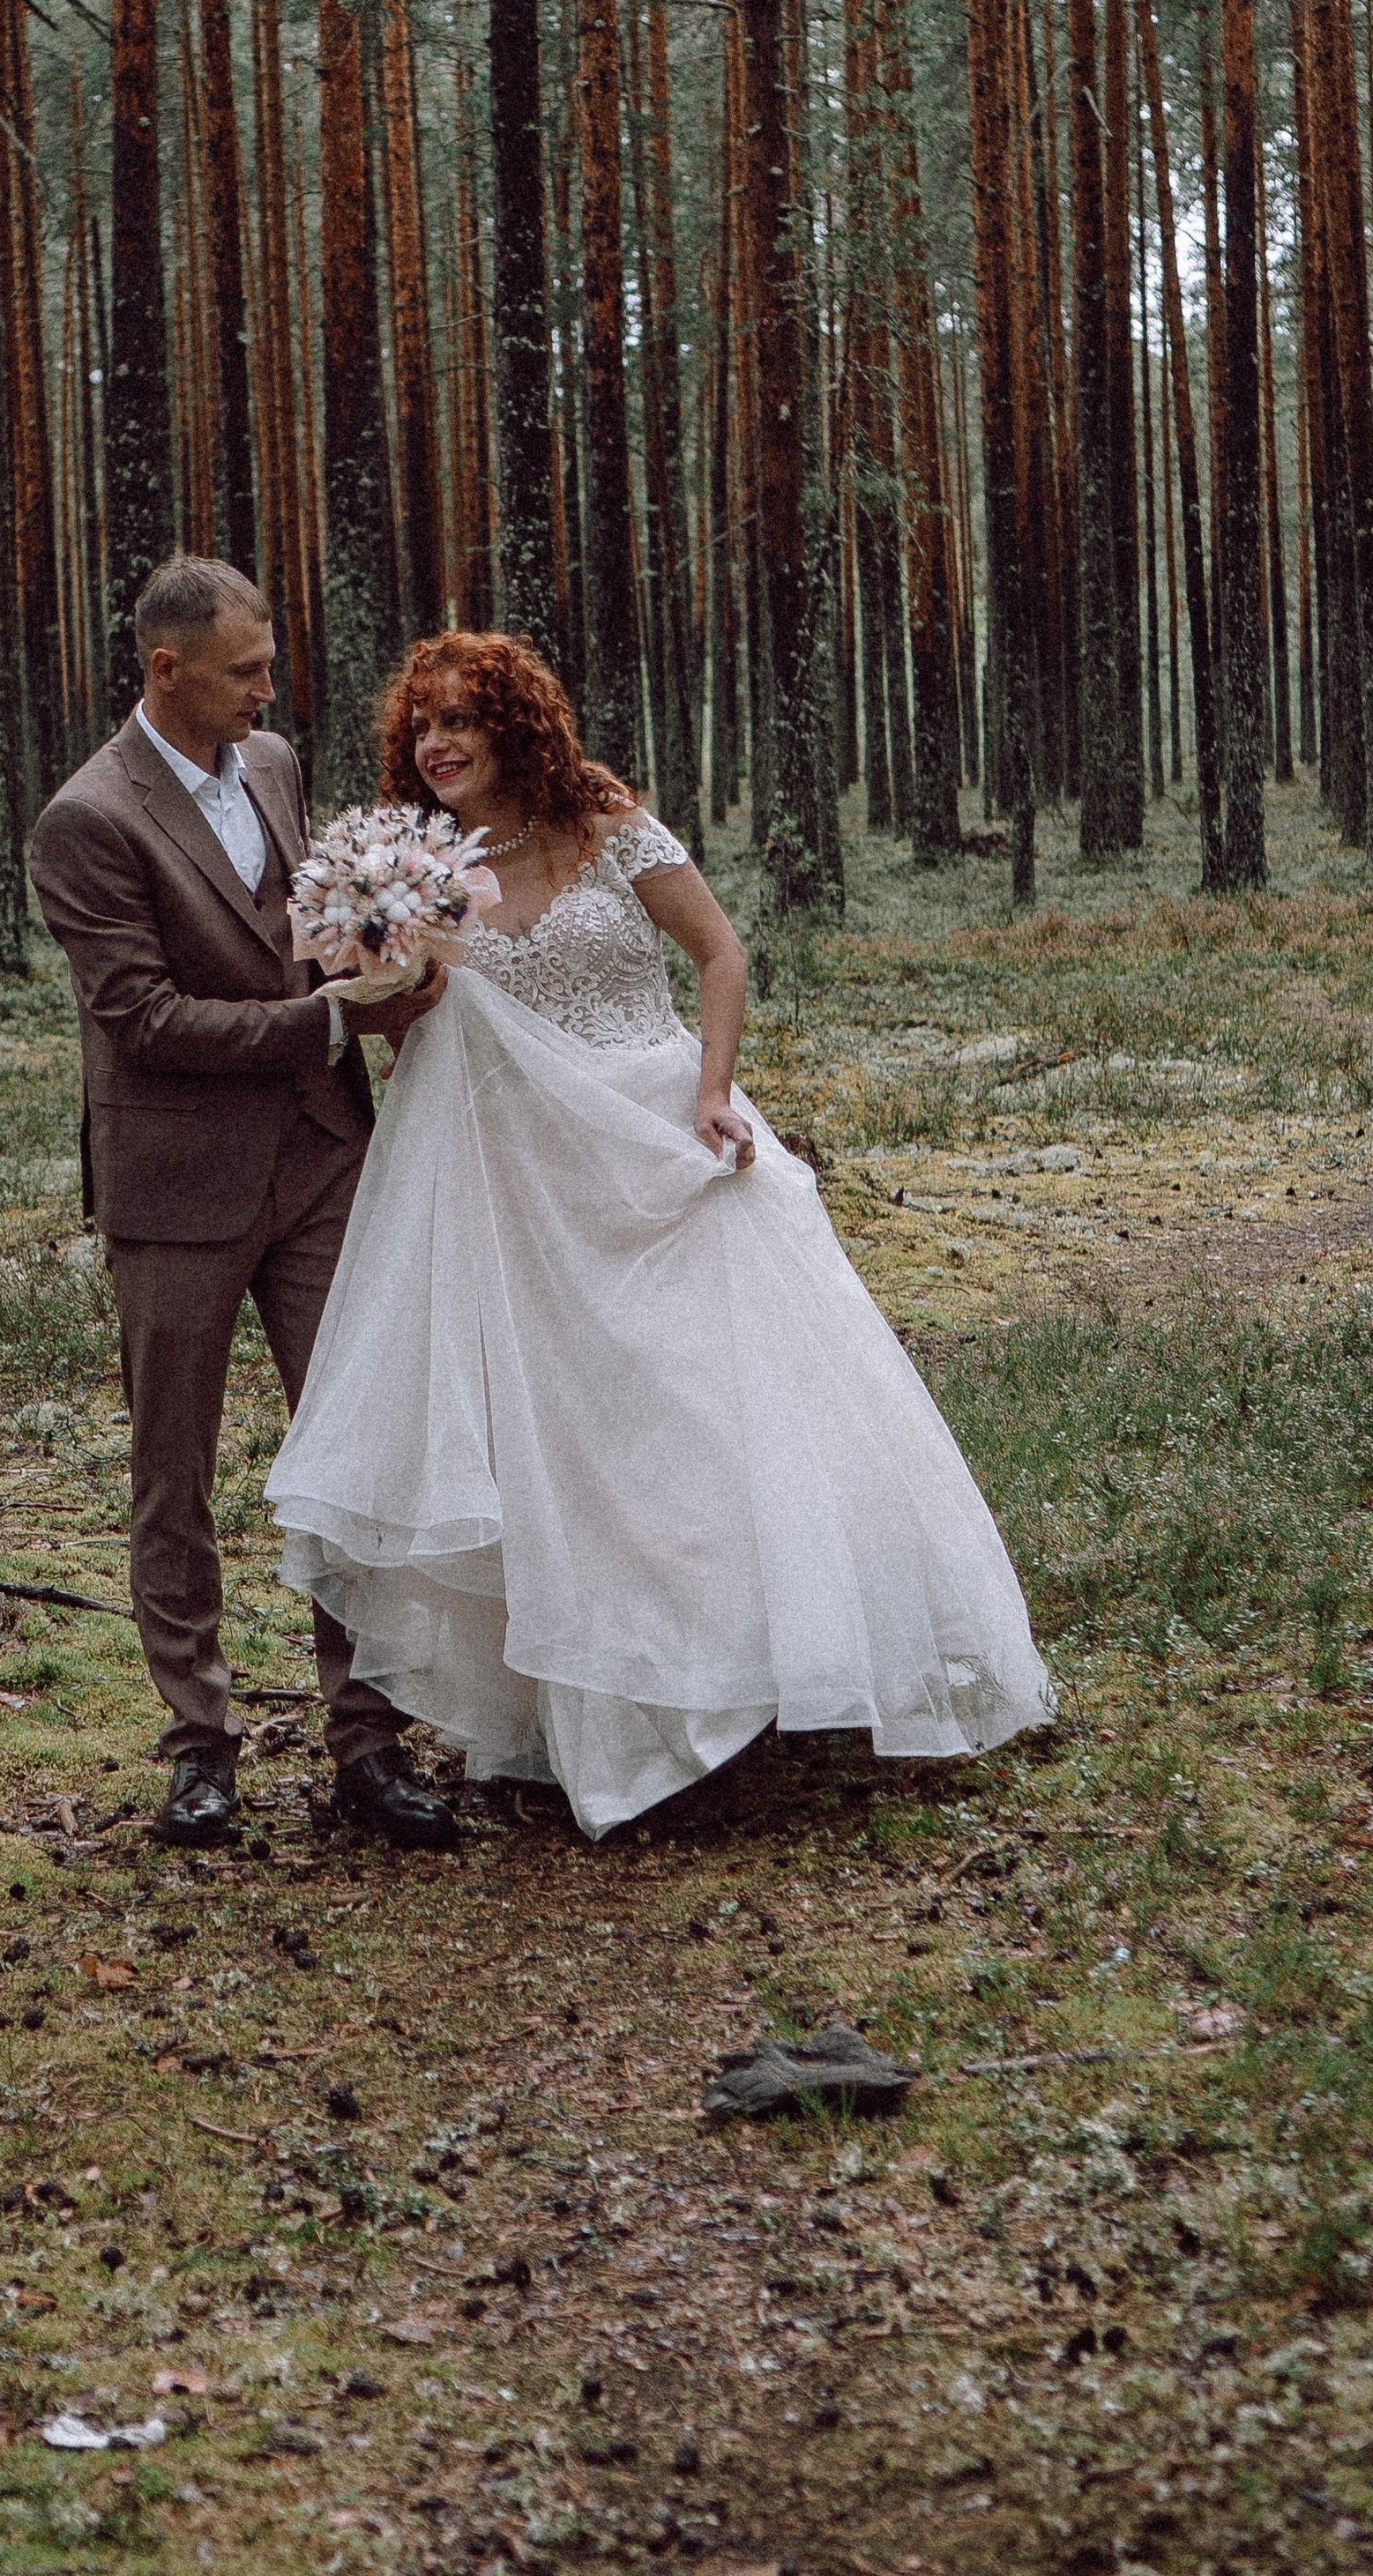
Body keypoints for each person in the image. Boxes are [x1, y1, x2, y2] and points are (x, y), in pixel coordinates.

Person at [265, 630, 1055, 1840]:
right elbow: (405, 1023)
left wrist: (714, 1090)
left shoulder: (602, 820)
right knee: (567, 1443)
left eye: (462, 718)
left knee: (700, 1416)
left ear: (514, 724)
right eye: (422, 725)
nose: (438, 743)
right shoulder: (418, 864)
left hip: (656, 1140)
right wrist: (374, 970)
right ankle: (596, 1710)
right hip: (521, 1185)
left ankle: (741, 1677)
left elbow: (719, 952)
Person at [29, 555, 456, 1851]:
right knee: (176, 1473)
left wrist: (386, 958)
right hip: (178, 1183)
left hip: (322, 1160)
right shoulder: (86, 821)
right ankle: (199, 1746)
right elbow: (142, 1020)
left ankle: (368, 1740)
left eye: (269, 666)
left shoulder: (270, 764)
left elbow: (300, 928)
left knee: (356, 1447)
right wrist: (326, 1021)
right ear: (167, 670)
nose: (270, 692)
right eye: (246, 672)